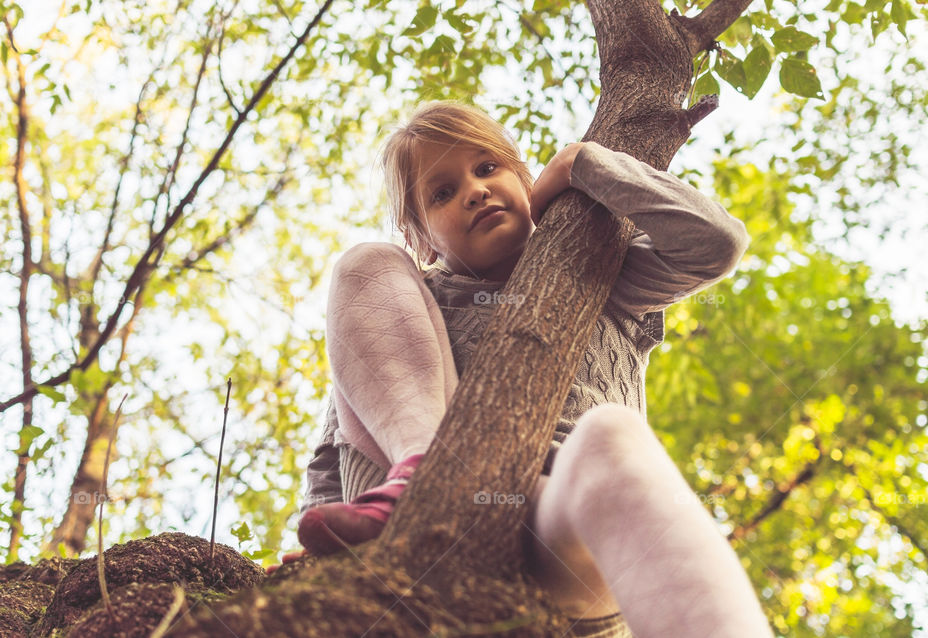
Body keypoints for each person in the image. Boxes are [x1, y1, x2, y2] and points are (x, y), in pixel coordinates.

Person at [274, 100, 773, 637]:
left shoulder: (603, 271)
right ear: (421, 238)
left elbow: (716, 243)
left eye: (487, 168)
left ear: (524, 177)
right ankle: (419, 471)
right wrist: (315, 548)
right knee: (364, 262)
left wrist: (582, 162)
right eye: (442, 193)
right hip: (402, 528)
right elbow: (334, 449)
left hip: (559, 530)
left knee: (612, 434)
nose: (474, 190)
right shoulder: (403, 308)